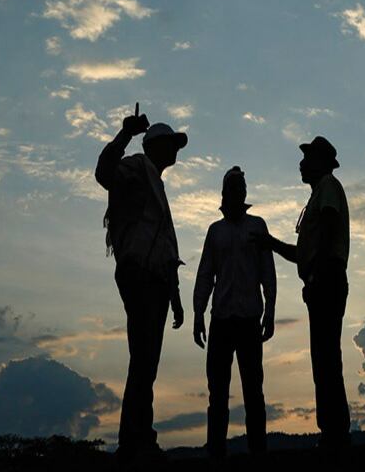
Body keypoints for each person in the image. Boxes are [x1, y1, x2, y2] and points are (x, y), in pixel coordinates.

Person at [94, 103, 186, 464]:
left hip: (157, 280)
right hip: (140, 275)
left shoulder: (156, 184)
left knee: (146, 361)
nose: (175, 150)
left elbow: (166, 245)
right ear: (154, 146)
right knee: (144, 359)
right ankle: (135, 441)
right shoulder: (135, 166)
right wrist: (126, 133)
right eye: (171, 143)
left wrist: (175, 296)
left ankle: (139, 438)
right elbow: (103, 173)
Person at [252, 137, 351, 451]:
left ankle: (335, 435)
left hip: (327, 278)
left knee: (326, 357)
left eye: (307, 157)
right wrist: (271, 244)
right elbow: (303, 252)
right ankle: (333, 432)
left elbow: (328, 228)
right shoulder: (319, 195)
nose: (301, 163)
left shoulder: (329, 187)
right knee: (323, 357)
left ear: (321, 162)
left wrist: (317, 273)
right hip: (321, 277)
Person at [193, 166, 276, 459]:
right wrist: (198, 314)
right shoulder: (215, 231)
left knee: (254, 391)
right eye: (233, 188)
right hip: (221, 320)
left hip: (250, 318)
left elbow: (268, 271)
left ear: (243, 193)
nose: (237, 192)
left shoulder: (257, 227)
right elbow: (205, 274)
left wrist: (271, 310)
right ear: (225, 193)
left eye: (241, 187)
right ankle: (217, 452)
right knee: (218, 393)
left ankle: (258, 451)